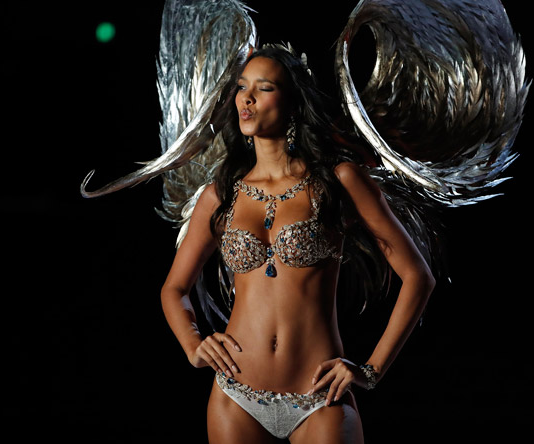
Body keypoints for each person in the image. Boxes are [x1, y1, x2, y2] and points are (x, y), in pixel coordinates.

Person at [159, 44, 436, 443]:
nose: (247, 98)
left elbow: (417, 276)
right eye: (242, 87)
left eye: (264, 88)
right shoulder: (220, 195)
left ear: (292, 104)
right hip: (236, 394)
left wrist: (371, 370)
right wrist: (192, 344)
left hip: (319, 396)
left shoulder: (339, 181)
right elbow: (174, 288)